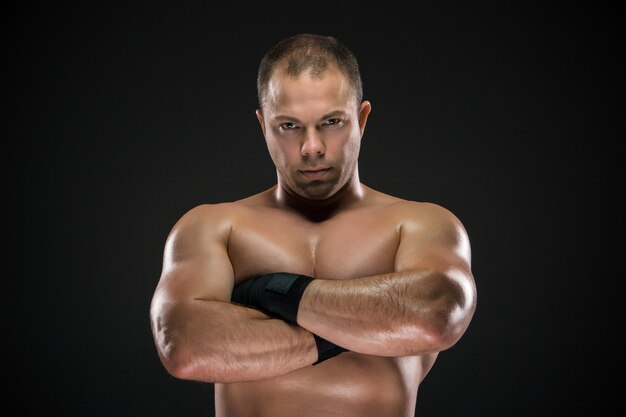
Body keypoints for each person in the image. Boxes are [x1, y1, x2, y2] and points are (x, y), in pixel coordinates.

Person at [150, 33, 477, 417]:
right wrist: (369, 326)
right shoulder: (214, 227)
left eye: (332, 122)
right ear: (263, 125)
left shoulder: (419, 223)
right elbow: (184, 346)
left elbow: (436, 316)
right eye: (289, 126)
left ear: (362, 118)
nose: (312, 147)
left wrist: (273, 293)